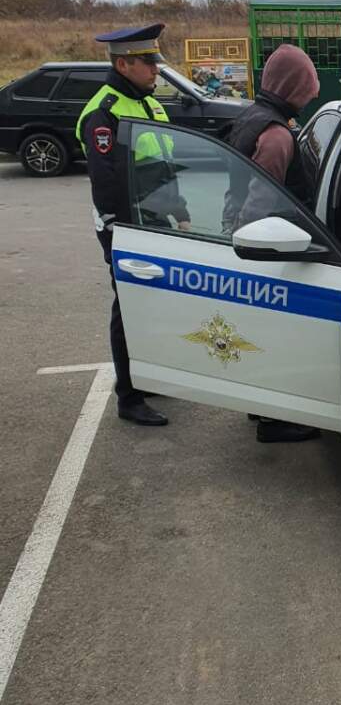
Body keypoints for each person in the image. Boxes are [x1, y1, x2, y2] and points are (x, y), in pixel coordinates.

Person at [76, 22, 189, 426]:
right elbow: (105, 185)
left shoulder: (150, 104)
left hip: (155, 220)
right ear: (123, 64)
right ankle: (129, 395)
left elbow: (164, 167)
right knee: (129, 306)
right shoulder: (103, 114)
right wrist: (125, 235)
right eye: (148, 64)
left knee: (155, 302)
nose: (156, 71)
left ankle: (146, 376)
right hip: (123, 227)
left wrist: (182, 211)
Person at [224, 43, 322, 443]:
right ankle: (274, 419)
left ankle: (259, 406)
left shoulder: (252, 115)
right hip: (264, 248)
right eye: (309, 86)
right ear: (294, 86)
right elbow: (259, 206)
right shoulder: (277, 136)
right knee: (272, 332)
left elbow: (237, 190)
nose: (313, 93)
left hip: (242, 234)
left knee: (256, 329)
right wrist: (256, 250)